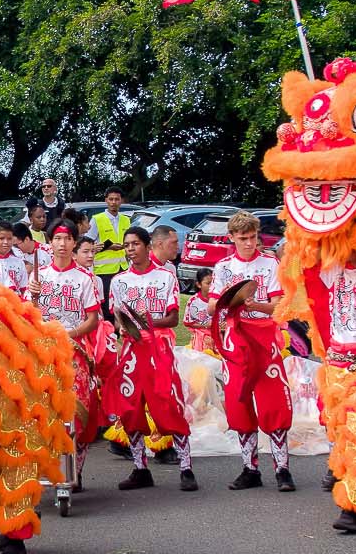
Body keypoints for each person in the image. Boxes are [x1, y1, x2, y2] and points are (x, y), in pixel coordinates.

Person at [102, 226, 197, 492]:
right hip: (132, 350)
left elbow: (173, 319)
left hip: (159, 348)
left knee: (168, 405)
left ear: (146, 246)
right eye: (127, 245)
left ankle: (186, 468)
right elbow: (118, 319)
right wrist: (124, 327)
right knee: (129, 408)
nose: (131, 249)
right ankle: (140, 468)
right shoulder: (119, 282)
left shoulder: (165, 276)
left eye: (135, 244)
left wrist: (147, 321)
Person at [210, 210, 293, 492]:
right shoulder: (222, 267)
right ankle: (250, 468)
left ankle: (282, 468)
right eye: (243, 238)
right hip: (235, 340)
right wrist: (228, 304)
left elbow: (279, 306)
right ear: (231, 238)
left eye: (253, 237)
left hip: (264, 336)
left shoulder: (270, 263)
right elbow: (212, 306)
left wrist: (252, 305)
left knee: (274, 404)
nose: (249, 243)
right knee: (238, 403)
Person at [28, 221, 102, 488]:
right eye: (57, 238)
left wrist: (67, 336)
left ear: (74, 243)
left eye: (67, 238)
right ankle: (46, 466)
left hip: (74, 351)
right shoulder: (37, 277)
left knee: (77, 412)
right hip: (43, 354)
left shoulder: (85, 278)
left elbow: (93, 319)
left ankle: (76, 469)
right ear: (50, 243)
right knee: (43, 411)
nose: (62, 244)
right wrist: (32, 301)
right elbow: (28, 318)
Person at [91, 186, 131, 298]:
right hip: (103, 270)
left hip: (123, 268)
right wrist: (109, 247)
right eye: (111, 199)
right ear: (106, 200)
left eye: (117, 199)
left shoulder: (126, 219)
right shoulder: (97, 219)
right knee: (107, 305)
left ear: (121, 201)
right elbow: (88, 244)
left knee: (122, 301)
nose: (114, 202)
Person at [182, 267, 217, 352]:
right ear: (199, 284)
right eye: (208, 283)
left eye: (213, 283)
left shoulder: (220, 300)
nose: (211, 286)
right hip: (200, 340)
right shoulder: (193, 301)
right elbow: (187, 322)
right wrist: (206, 325)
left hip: (218, 339)